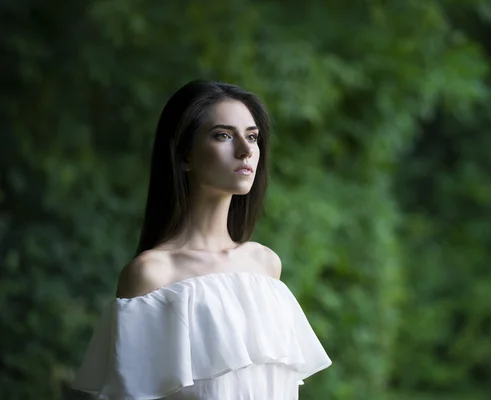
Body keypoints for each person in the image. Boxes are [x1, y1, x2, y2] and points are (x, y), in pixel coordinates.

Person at [71, 80, 332, 399]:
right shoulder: (152, 275)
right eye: (223, 135)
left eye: (252, 136)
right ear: (184, 156)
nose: (246, 150)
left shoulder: (266, 266)